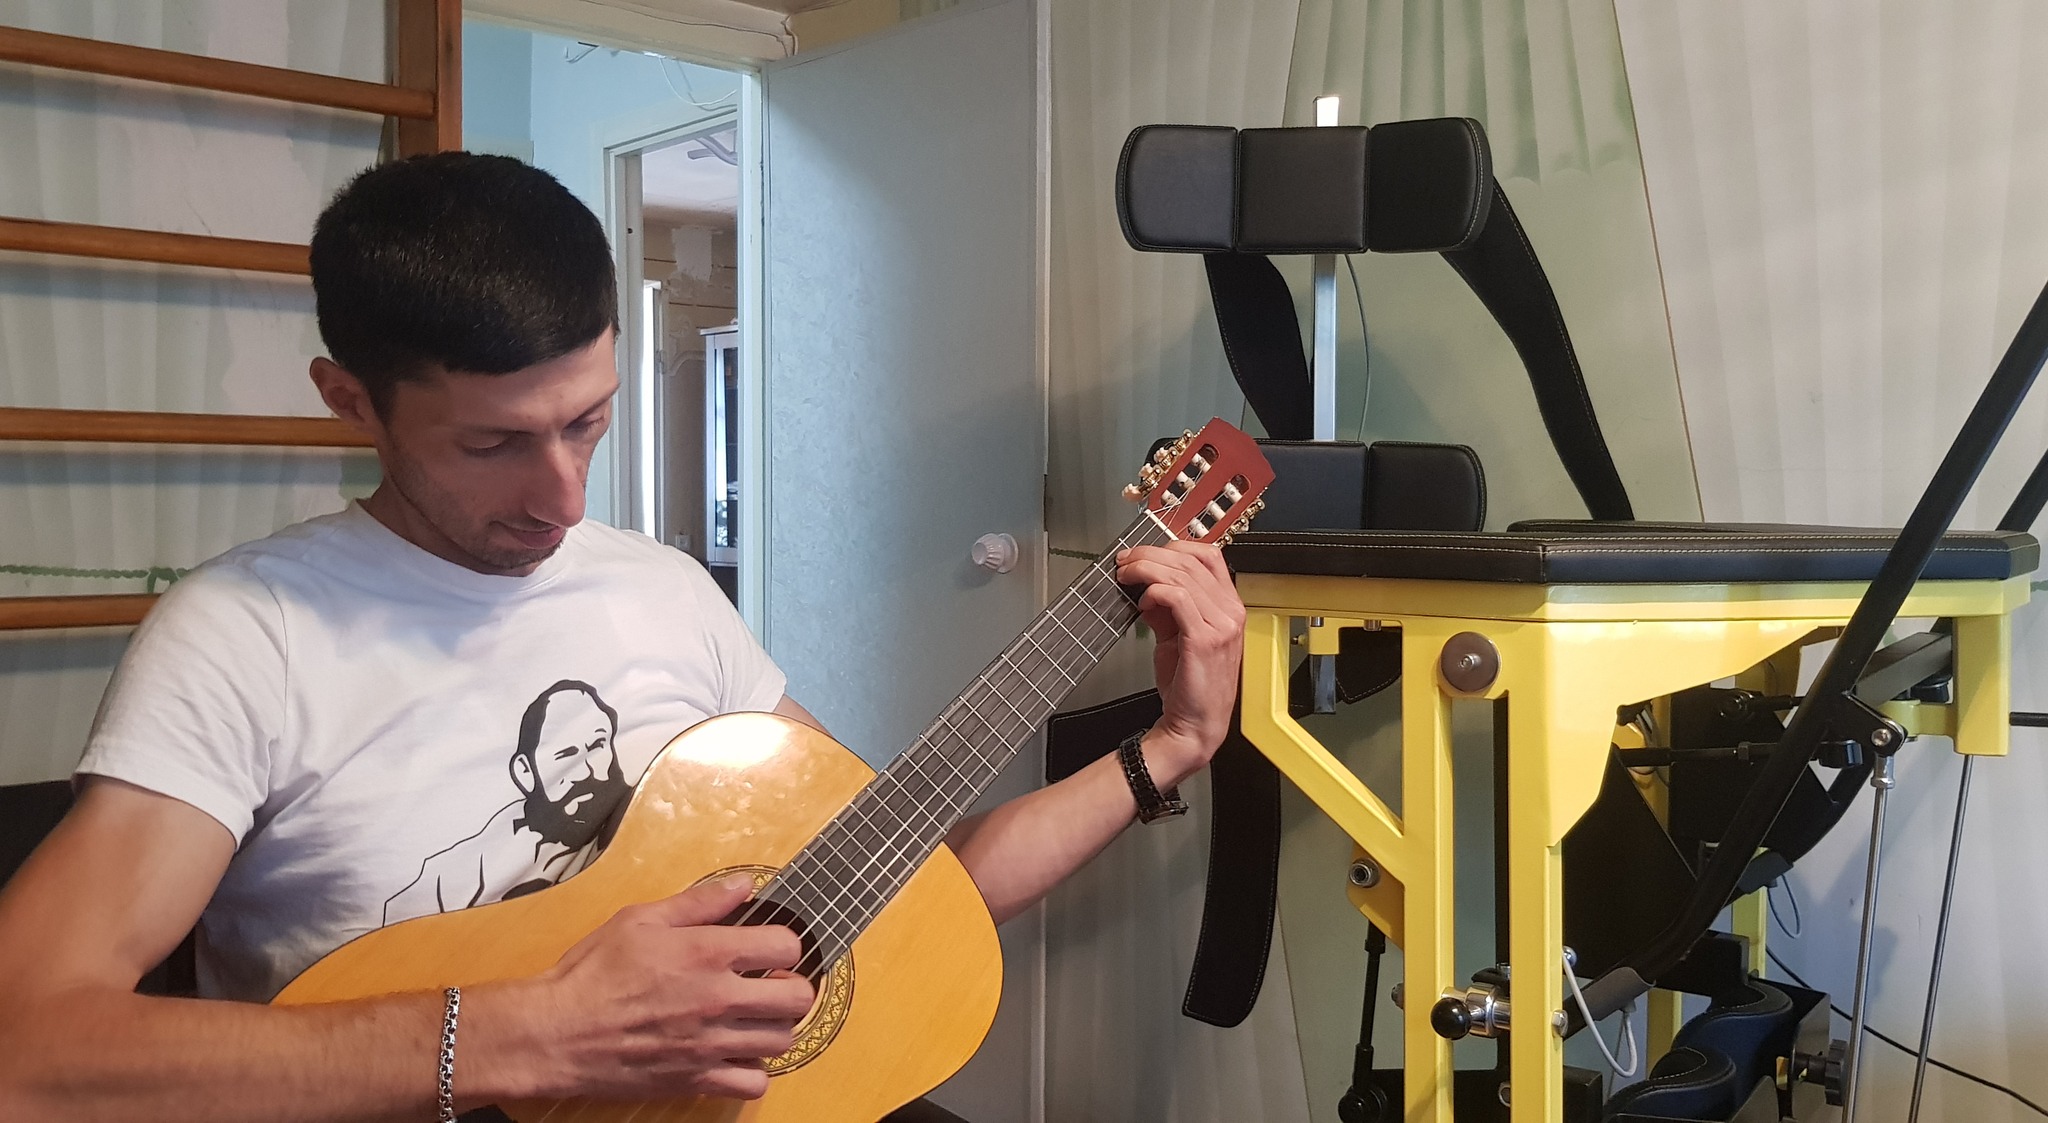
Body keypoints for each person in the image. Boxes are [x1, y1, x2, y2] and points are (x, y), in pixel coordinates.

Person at [0, 153, 1245, 1121]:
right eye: (492, 442)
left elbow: (898, 892)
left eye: (587, 422)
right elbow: (28, 1050)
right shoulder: (244, 639)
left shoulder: (665, 593)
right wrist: (537, 1031)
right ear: (351, 402)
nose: (561, 498)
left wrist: (1173, 743)